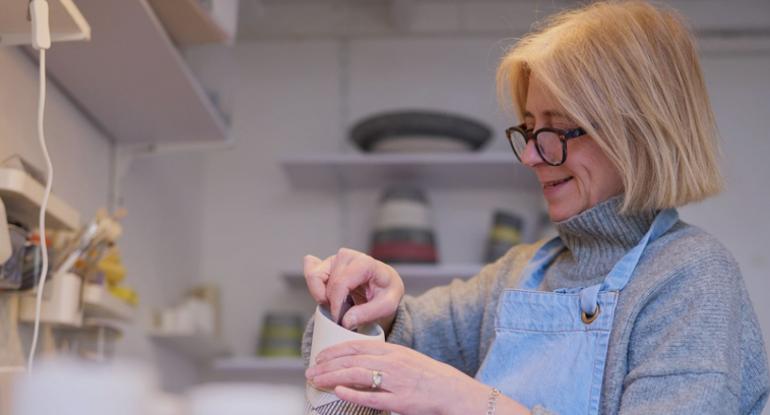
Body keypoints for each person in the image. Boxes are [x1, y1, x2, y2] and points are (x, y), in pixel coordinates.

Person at [301, 1, 770, 414]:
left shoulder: (691, 278)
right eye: (528, 129)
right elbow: (355, 373)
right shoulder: (520, 273)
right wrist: (366, 310)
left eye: (558, 129)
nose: (530, 156)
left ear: (639, 134)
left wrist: (471, 403)